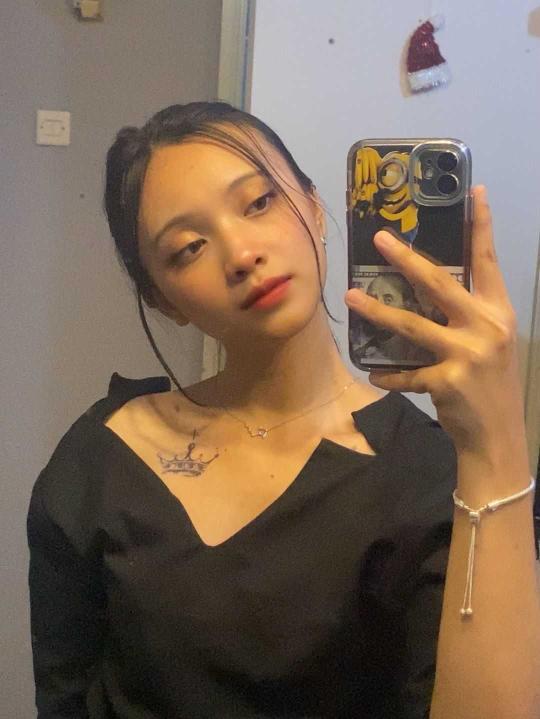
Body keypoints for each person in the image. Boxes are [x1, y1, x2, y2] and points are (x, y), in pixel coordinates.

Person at [27, 101, 539, 719]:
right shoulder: (99, 460)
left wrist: (496, 440)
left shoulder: (432, 474)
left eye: (259, 202)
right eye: (189, 247)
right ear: (163, 300)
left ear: (317, 208)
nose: (241, 252)